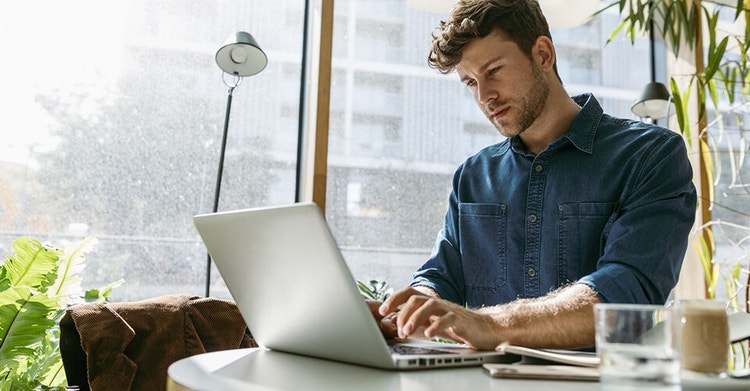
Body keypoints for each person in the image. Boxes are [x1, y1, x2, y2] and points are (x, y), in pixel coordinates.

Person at [375, 0, 697, 351]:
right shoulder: (472, 175)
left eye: (494, 70)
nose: (485, 97)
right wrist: (405, 312)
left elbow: (624, 294)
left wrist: (490, 323)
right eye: (471, 82)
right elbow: (440, 276)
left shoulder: (649, 155)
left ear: (543, 54)